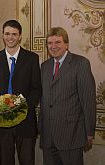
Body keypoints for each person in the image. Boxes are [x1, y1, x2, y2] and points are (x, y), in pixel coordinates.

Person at [0, 19, 42, 165]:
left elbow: (37, 89)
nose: (10, 37)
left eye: (14, 34)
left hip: (25, 121)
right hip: (1, 121)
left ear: (20, 36)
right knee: (5, 161)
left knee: (27, 161)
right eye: (7, 34)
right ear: (2, 35)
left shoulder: (32, 58)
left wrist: (21, 108)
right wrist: (0, 108)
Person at [39, 27, 96, 165]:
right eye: (50, 43)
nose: (53, 46)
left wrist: (89, 132)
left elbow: (88, 100)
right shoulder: (44, 66)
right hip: (48, 135)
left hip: (71, 134)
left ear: (66, 44)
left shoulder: (81, 64)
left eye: (57, 42)